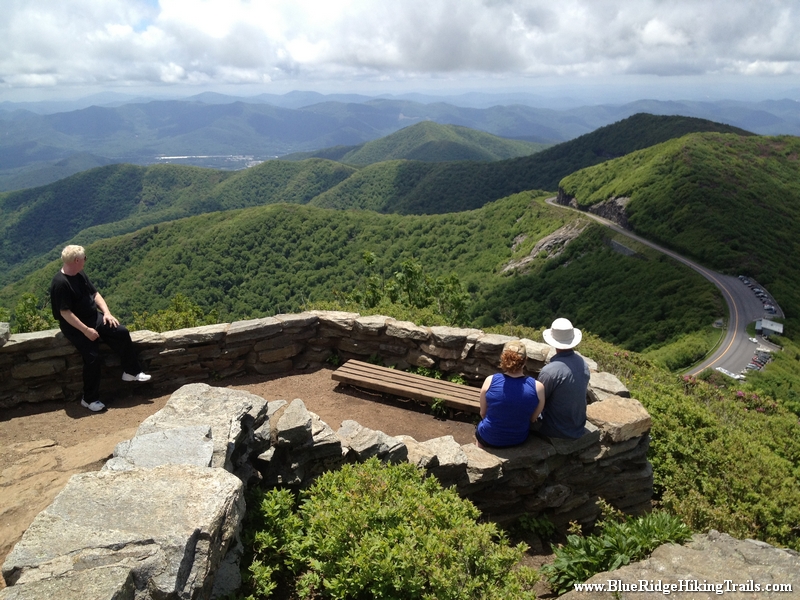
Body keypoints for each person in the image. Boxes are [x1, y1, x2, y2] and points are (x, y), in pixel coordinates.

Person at [50, 245, 150, 412]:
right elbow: (65, 313)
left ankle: (131, 371)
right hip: (75, 326)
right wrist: (86, 331)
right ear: (76, 260)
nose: (85, 261)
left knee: (121, 332)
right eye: (84, 258)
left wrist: (107, 313)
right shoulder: (60, 283)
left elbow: (95, 294)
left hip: (93, 317)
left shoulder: (79, 274)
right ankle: (89, 399)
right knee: (93, 358)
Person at [475, 340, 545, 448]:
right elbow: (532, 419)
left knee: (480, 432)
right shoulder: (538, 387)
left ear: (503, 359)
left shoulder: (490, 380)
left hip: (489, 437)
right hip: (518, 438)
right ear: (525, 361)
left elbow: (483, 413)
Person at [533, 317, 590, 439]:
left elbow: (538, 399)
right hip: (577, 426)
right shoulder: (583, 363)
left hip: (555, 429)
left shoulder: (550, 371)